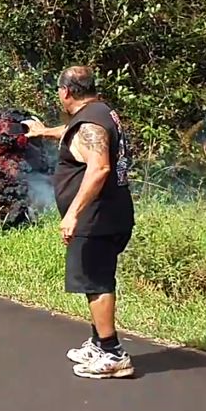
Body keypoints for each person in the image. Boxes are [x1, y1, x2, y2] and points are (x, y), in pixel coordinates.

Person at [24, 66, 136, 379]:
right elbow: (77, 135)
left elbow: (99, 168)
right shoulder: (98, 114)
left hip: (96, 218)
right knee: (93, 279)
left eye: (58, 91)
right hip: (108, 214)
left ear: (66, 92)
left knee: (96, 280)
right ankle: (99, 343)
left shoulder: (91, 122)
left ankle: (113, 354)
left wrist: (73, 213)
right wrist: (44, 131)